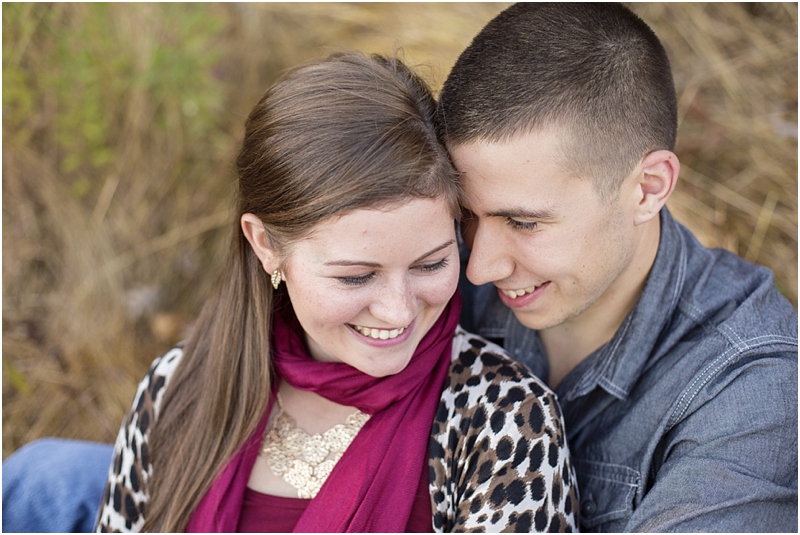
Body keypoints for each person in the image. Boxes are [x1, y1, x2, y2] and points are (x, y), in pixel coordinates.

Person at [4, 52, 578, 533]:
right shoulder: (175, 393)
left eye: (431, 263)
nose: (399, 309)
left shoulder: (504, 422)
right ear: (265, 246)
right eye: (356, 277)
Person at [435, 3, 798, 532]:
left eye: (524, 223)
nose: (476, 270)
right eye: (465, 214)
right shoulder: (423, 274)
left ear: (648, 188)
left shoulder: (752, 393)